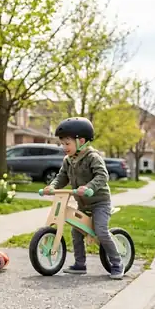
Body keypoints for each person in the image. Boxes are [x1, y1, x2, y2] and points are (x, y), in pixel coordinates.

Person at [43, 117, 124, 279]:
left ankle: (117, 263)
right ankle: (80, 264)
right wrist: (52, 186)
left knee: (101, 231)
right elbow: (62, 177)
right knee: (76, 232)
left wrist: (89, 188)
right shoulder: (68, 160)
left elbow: (102, 175)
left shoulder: (93, 157)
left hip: (100, 202)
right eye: (62, 144)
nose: (64, 147)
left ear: (81, 141)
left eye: (67, 143)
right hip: (83, 203)